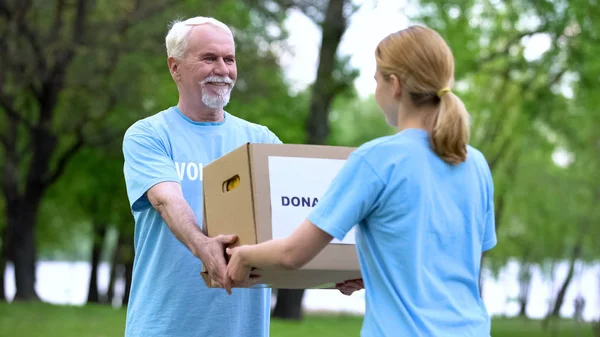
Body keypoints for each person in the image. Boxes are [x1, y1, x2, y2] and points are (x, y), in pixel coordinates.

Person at [226, 25, 498, 337]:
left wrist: (243, 255)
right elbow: (451, 261)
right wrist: (375, 273)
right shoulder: (473, 161)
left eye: (375, 80)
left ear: (394, 85)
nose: (375, 90)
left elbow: (292, 254)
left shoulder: (377, 159)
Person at [122, 16, 361, 337]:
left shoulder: (261, 141)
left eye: (229, 59)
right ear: (175, 67)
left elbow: (293, 223)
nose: (222, 69)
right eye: (209, 58)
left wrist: (336, 271)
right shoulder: (149, 135)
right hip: (163, 326)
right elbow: (166, 200)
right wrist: (202, 245)